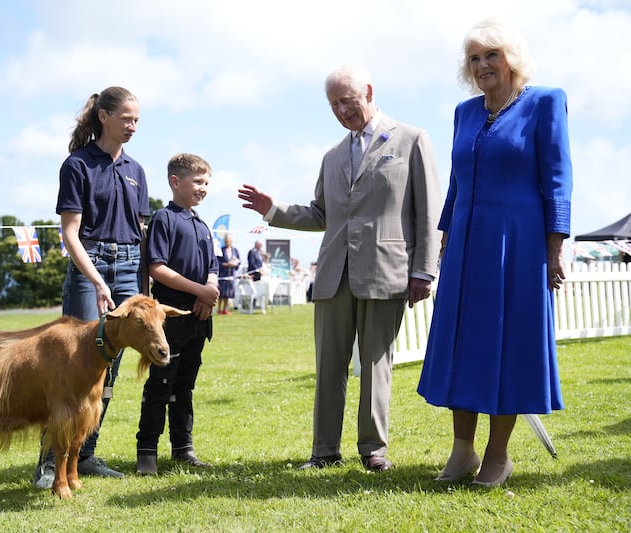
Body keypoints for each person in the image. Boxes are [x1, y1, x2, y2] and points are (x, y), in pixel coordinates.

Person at [238, 65, 442, 472]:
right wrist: (273, 210)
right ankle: (324, 451)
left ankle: (373, 449)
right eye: (333, 104)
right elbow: (321, 214)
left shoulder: (412, 139)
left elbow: (429, 211)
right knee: (329, 366)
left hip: (387, 272)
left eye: (346, 100)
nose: (341, 110)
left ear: (367, 91)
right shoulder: (332, 156)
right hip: (333, 275)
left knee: (375, 364)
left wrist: (424, 270)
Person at [417, 18, 573, 488]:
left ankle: (498, 455)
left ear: (512, 59)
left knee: (509, 346)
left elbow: (558, 179)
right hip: (465, 245)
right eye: (474, 58)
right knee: (462, 343)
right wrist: (443, 241)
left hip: (519, 246)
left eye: (492, 55)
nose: (482, 65)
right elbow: (455, 186)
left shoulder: (545, 102)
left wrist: (555, 247)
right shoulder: (465, 112)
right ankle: (461, 450)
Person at [33, 86, 149, 488]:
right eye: (126, 119)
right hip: (90, 266)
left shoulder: (136, 171)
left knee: (109, 370)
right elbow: (70, 233)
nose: (133, 126)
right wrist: (97, 279)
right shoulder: (77, 165)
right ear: (104, 117)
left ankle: (84, 454)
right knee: (73, 368)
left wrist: (144, 292)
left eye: (137, 120)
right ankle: (50, 463)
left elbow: (141, 232)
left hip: (130, 267)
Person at [135, 153, 219, 475]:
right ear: (175, 182)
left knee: (185, 386)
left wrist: (208, 294)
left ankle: (183, 448)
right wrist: (198, 291)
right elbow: (157, 267)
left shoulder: (201, 224)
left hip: (199, 320)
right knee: (161, 384)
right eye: (198, 182)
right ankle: (147, 452)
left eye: (207, 183)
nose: (203, 188)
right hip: (171, 322)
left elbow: (212, 269)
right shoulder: (164, 219)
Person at [216, 234, 240, 314]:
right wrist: (226, 264)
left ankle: (225, 309)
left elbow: (238, 261)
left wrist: (235, 264)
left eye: (229, 241)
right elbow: (217, 262)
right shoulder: (221, 250)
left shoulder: (235, 250)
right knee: (221, 293)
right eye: (226, 241)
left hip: (231, 276)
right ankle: (219, 309)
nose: (228, 242)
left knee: (228, 294)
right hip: (223, 275)